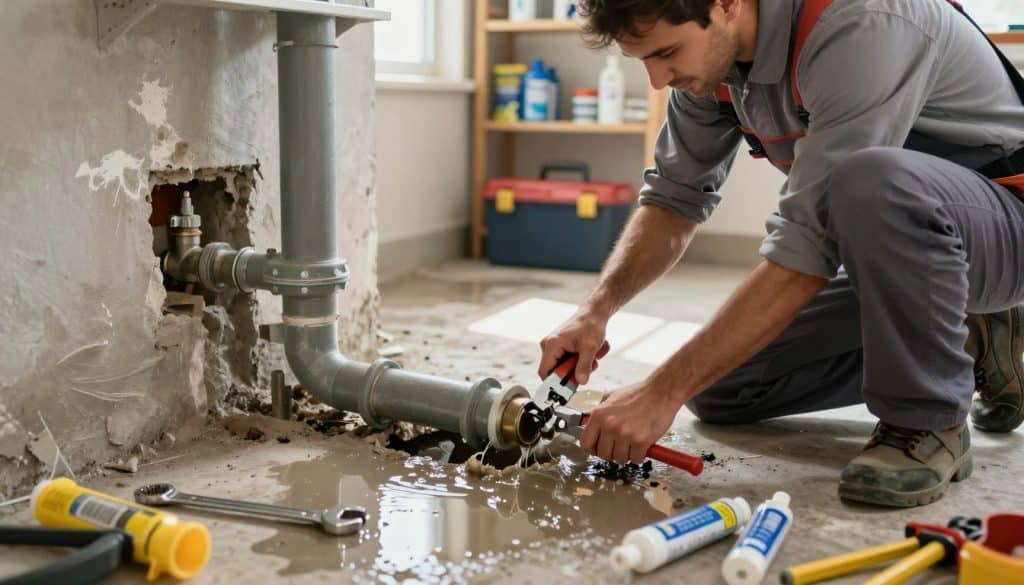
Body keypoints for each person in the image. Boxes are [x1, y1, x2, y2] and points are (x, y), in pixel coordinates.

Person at [538, 0, 1024, 507]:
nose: (659, 80)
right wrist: (595, 309)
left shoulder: (861, 23)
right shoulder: (712, 66)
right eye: (645, 61)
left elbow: (808, 244)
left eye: (666, 53)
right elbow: (673, 200)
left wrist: (659, 392)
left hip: (1005, 225)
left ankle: (929, 420)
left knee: (869, 181)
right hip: (914, 247)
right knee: (725, 388)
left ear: (726, 5)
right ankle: (971, 335)